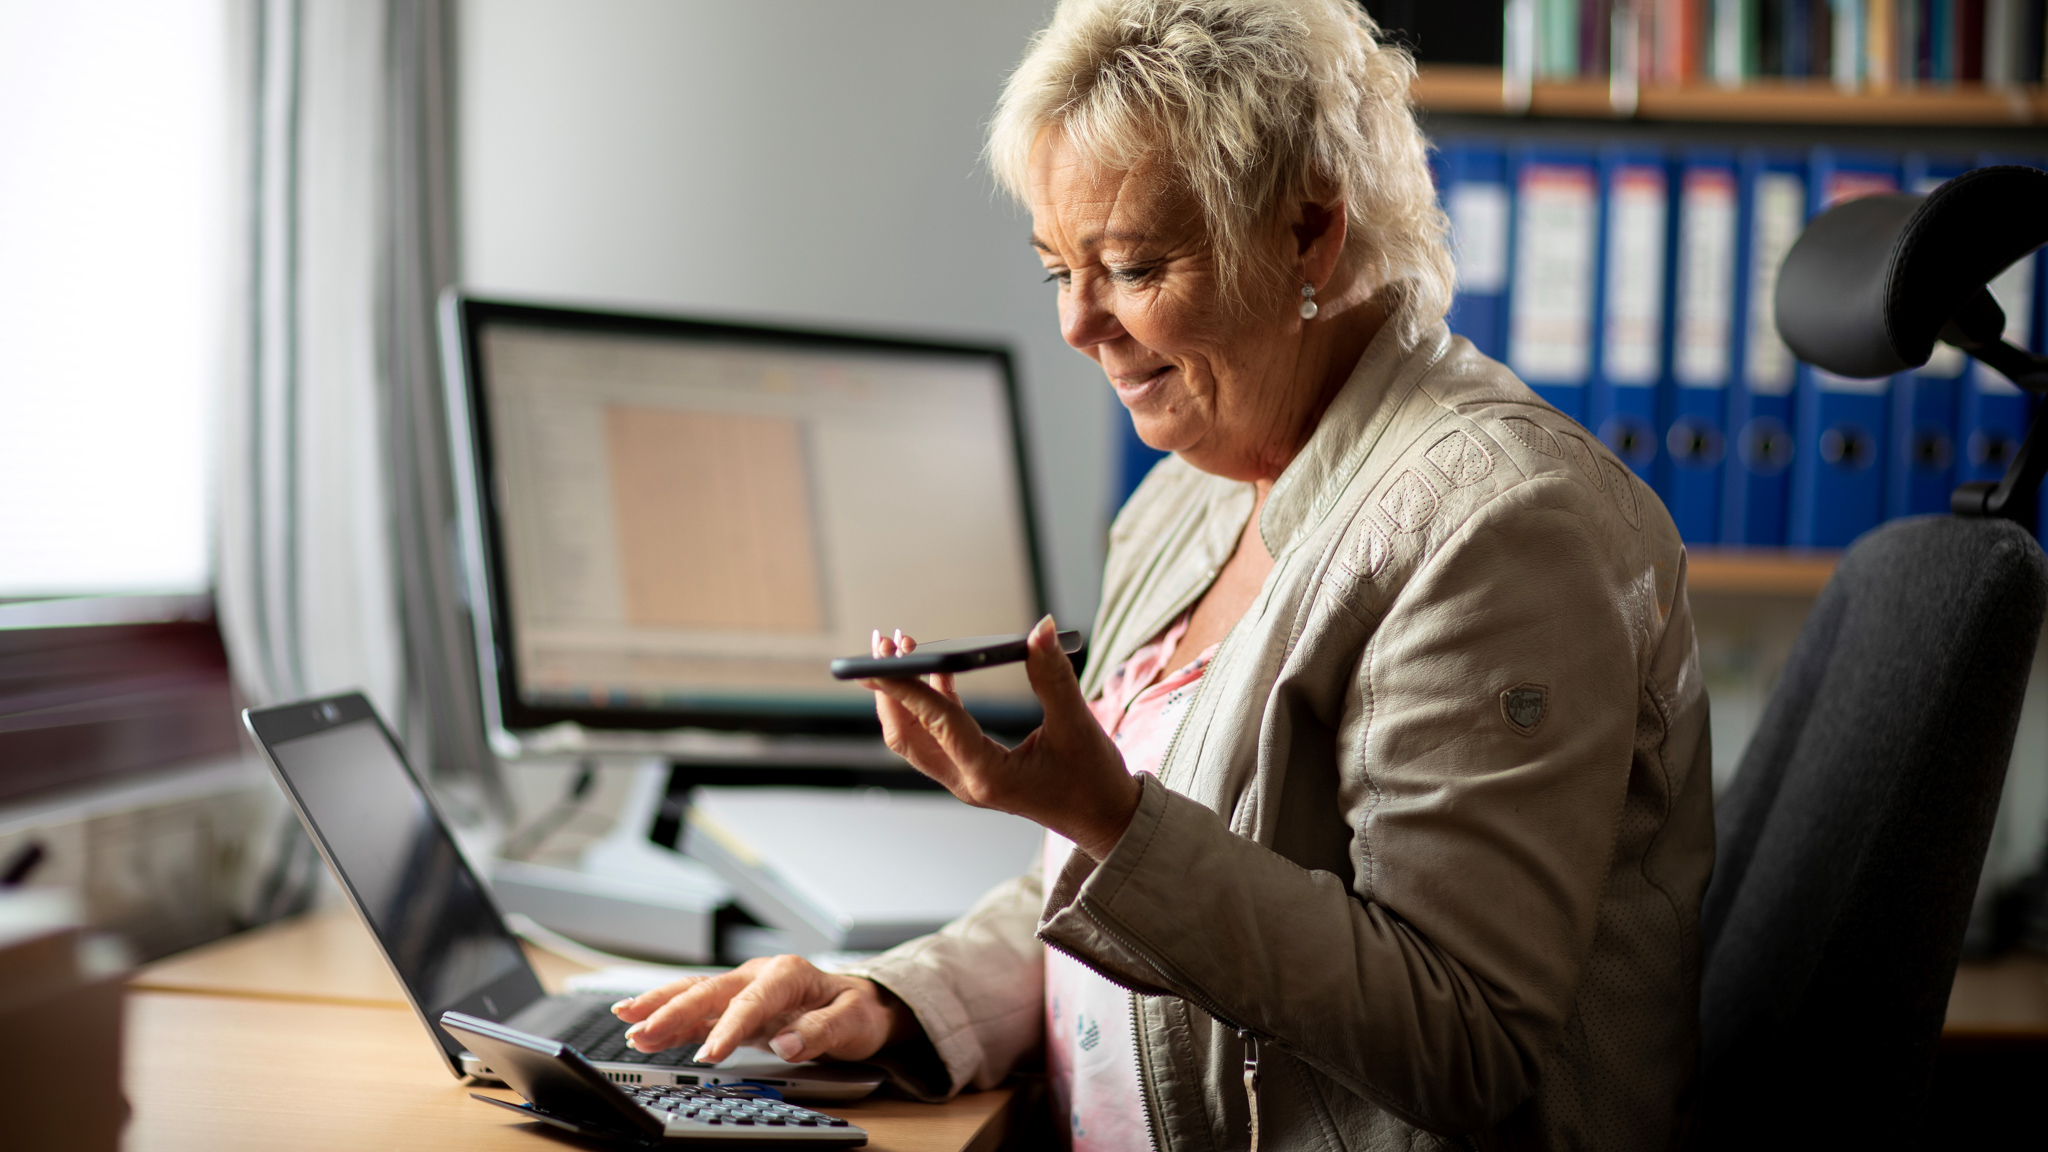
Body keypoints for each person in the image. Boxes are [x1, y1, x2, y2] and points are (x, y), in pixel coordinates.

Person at [612, 1, 1715, 1147]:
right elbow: (1112, 894)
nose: (1080, 324)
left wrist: (1107, 814)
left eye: (1131, 267)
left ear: (1306, 236)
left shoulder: (1504, 524)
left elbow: (1460, 1041)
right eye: (1057, 270)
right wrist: (902, 999)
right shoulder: (1186, 490)